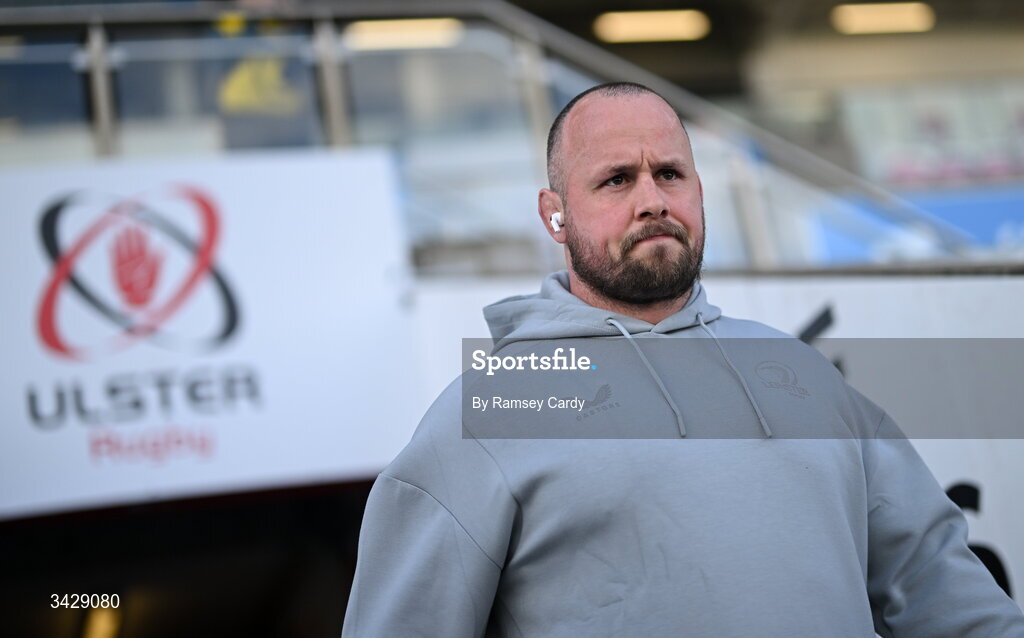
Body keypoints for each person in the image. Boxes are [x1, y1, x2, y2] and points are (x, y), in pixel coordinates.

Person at [342, 82, 1024, 637]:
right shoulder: (493, 406)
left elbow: (944, 589)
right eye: (615, 180)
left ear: (699, 191)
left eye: (670, 173)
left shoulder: (803, 375)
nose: (652, 201)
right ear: (555, 214)